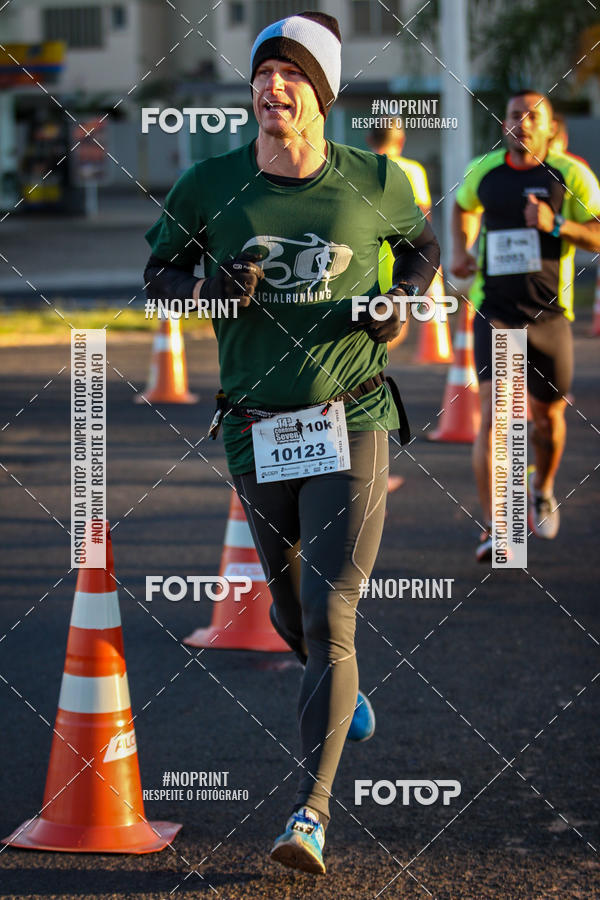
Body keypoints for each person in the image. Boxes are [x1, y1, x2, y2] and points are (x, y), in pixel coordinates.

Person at [143, 10, 439, 874]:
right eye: (264, 74)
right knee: (284, 612)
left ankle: (310, 812)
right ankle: (339, 686)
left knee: (329, 611)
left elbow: (421, 248)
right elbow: (159, 280)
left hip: (350, 416)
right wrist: (206, 290)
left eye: (294, 77)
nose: (274, 87)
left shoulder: (375, 181)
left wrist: (400, 304)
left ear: (322, 95)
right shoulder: (208, 185)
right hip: (255, 428)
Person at [451, 89, 600, 562]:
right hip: (495, 312)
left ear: (550, 127)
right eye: (516, 115)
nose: (523, 123)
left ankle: (543, 487)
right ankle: (499, 528)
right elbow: (461, 205)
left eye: (534, 116)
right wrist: (461, 249)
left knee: (546, 420)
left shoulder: (571, 174)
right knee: (498, 423)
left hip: (551, 318)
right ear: (505, 124)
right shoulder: (485, 171)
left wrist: (556, 225)